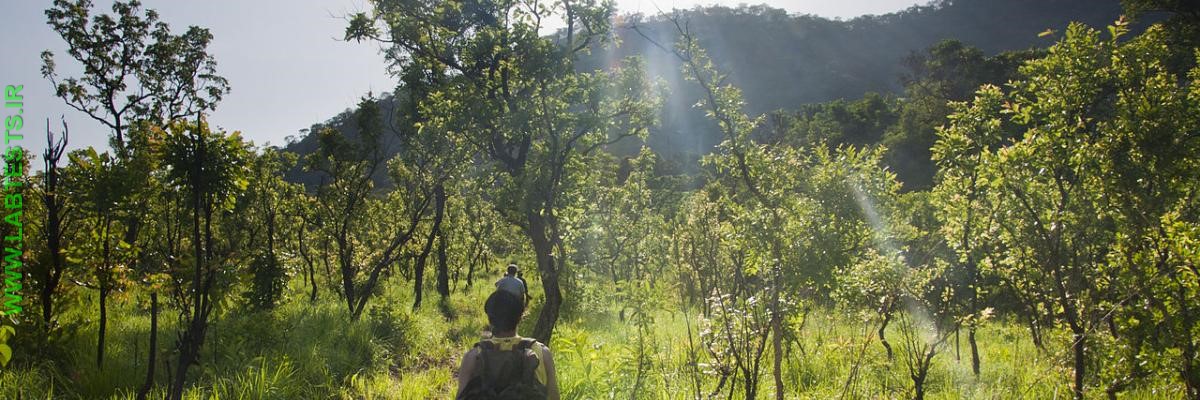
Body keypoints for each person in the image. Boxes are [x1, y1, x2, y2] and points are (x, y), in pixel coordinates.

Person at [457, 290, 559, 400]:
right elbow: (554, 396)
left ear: (490, 320)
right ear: (520, 318)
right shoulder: (542, 353)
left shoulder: (473, 356)